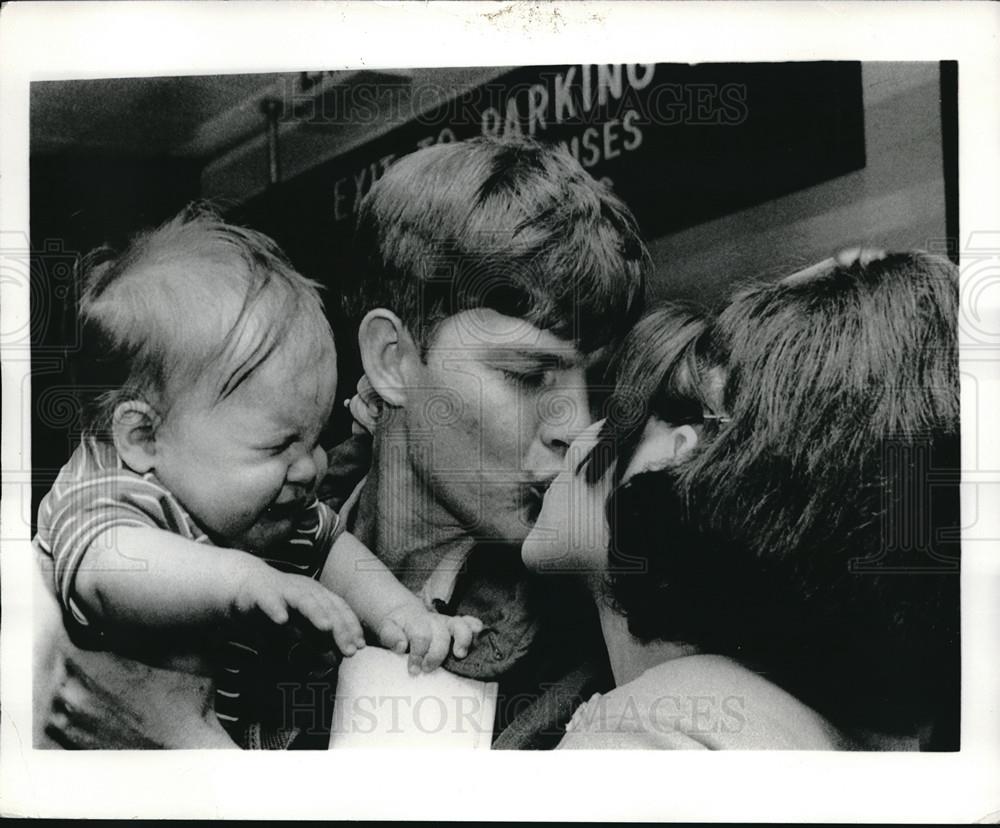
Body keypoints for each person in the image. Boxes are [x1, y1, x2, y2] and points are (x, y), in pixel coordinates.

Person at [40, 137, 650, 749]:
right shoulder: (227, 503)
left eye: (598, 384)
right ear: (393, 360)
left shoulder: (581, 669)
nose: (577, 425)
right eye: (526, 374)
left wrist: (174, 742)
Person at [34, 207, 482, 749]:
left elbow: (333, 547)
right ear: (143, 438)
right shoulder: (109, 492)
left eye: (316, 438)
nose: (310, 467)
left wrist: (403, 615)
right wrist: (243, 581)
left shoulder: (261, 506)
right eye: (278, 446)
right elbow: (110, 571)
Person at [523, 250, 961, 749]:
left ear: (674, 458)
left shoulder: (654, 736)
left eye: (612, 404)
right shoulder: (834, 730)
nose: (574, 429)